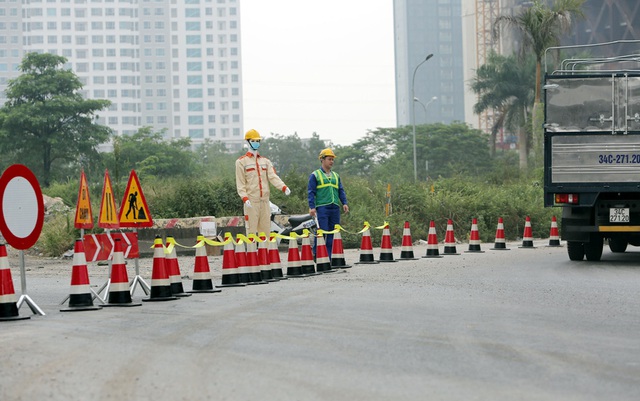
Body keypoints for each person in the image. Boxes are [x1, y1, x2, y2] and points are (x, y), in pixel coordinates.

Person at [236, 129, 291, 235]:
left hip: (265, 202)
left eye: (257, 141)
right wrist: (244, 197)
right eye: (253, 141)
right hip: (251, 202)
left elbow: (273, 177)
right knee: (251, 231)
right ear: (247, 142)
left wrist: (283, 187)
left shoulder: (265, 161)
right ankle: (252, 251)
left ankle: (264, 251)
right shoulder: (241, 162)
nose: (256, 143)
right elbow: (240, 183)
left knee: (265, 231)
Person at [308, 148, 349, 259]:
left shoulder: (336, 176)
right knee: (322, 232)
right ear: (322, 160)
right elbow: (311, 192)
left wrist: (344, 203)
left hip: (335, 208)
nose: (331, 161)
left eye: (332, 159)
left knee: (333, 233)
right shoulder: (315, 175)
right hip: (322, 208)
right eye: (329, 159)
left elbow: (341, 190)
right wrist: (312, 207)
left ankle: (329, 257)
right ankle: (317, 254)